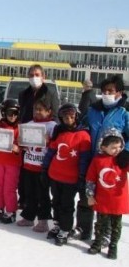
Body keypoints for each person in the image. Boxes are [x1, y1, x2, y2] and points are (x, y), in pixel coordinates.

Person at [77, 75, 129, 240]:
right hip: (92, 160)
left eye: (111, 91)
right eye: (104, 90)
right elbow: (82, 127)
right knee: (86, 195)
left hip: (113, 164)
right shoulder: (93, 109)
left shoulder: (124, 112)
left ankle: (105, 233)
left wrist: (126, 151)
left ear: (119, 92)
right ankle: (83, 228)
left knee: (108, 199)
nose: (107, 93)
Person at [42, 103, 92, 246]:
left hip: (70, 179)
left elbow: (84, 159)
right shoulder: (60, 133)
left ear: (76, 116)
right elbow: (50, 153)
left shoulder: (83, 136)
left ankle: (65, 228)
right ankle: (57, 224)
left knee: (66, 205)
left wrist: (82, 176)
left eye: (71, 117)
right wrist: (45, 170)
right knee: (56, 202)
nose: (69, 120)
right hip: (55, 175)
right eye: (65, 117)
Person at [85, 129, 129, 259]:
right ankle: (98, 242)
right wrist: (90, 195)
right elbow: (90, 179)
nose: (117, 150)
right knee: (100, 223)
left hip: (118, 199)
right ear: (103, 147)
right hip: (102, 199)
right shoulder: (98, 160)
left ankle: (113, 245)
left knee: (116, 225)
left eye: (119, 146)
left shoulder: (122, 160)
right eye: (113, 147)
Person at [17, 97, 57, 231]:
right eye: (35, 109)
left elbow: (56, 146)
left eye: (41, 110)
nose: (37, 112)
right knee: (29, 193)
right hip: (29, 163)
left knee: (43, 194)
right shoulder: (29, 123)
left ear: (49, 111)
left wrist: (49, 140)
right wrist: (20, 142)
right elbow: (21, 143)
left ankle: (43, 219)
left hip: (42, 166)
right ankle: (29, 217)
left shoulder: (52, 126)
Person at [0, 99, 22, 224]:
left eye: (15, 113)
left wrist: (17, 149)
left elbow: (23, 147)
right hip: (0, 160)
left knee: (9, 187)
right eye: (10, 113)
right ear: (4, 113)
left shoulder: (19, 128)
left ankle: (11, 210)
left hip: (13, 162)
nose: (13, 116)